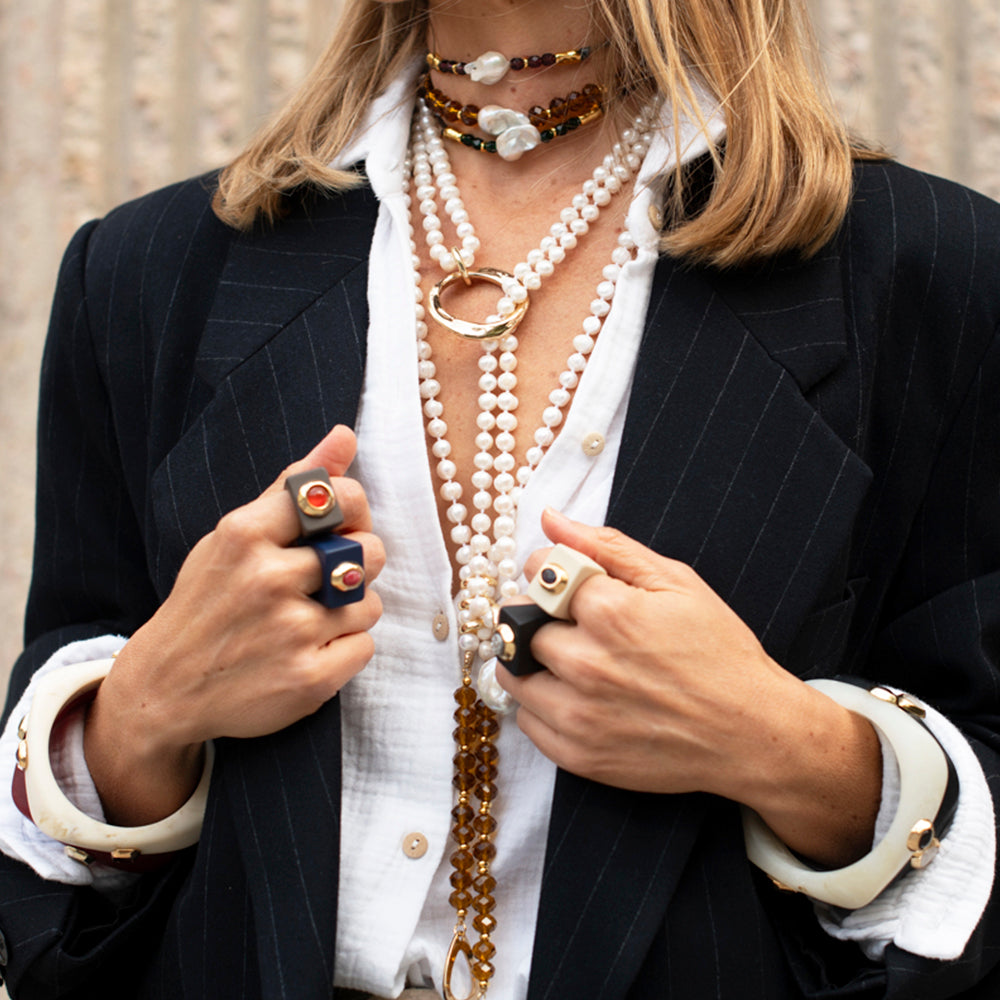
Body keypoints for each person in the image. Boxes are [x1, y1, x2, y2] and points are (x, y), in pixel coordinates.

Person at [0, 0, 997, 997]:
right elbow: (54, 853)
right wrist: (140, 714)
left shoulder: (935, 277)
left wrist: (782, 747)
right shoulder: (148, 270)